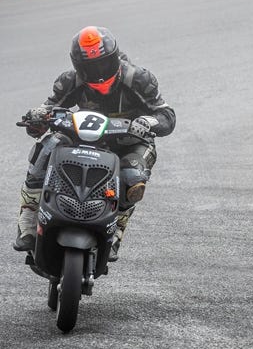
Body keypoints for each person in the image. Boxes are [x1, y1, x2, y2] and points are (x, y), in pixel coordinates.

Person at [13, 26, 176, 261]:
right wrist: (38, 118)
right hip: (85, 135)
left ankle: (117, 228)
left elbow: (167, 116)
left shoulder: (139, 79)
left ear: (115, 58)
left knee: (133, 176)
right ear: (78, 66)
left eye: (103, 64)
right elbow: (50, 109)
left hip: (131, 141)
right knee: (48, 144)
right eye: (89, 67)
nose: (98, 73)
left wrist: (147, 122)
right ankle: (28, 217)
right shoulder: (70, 80)